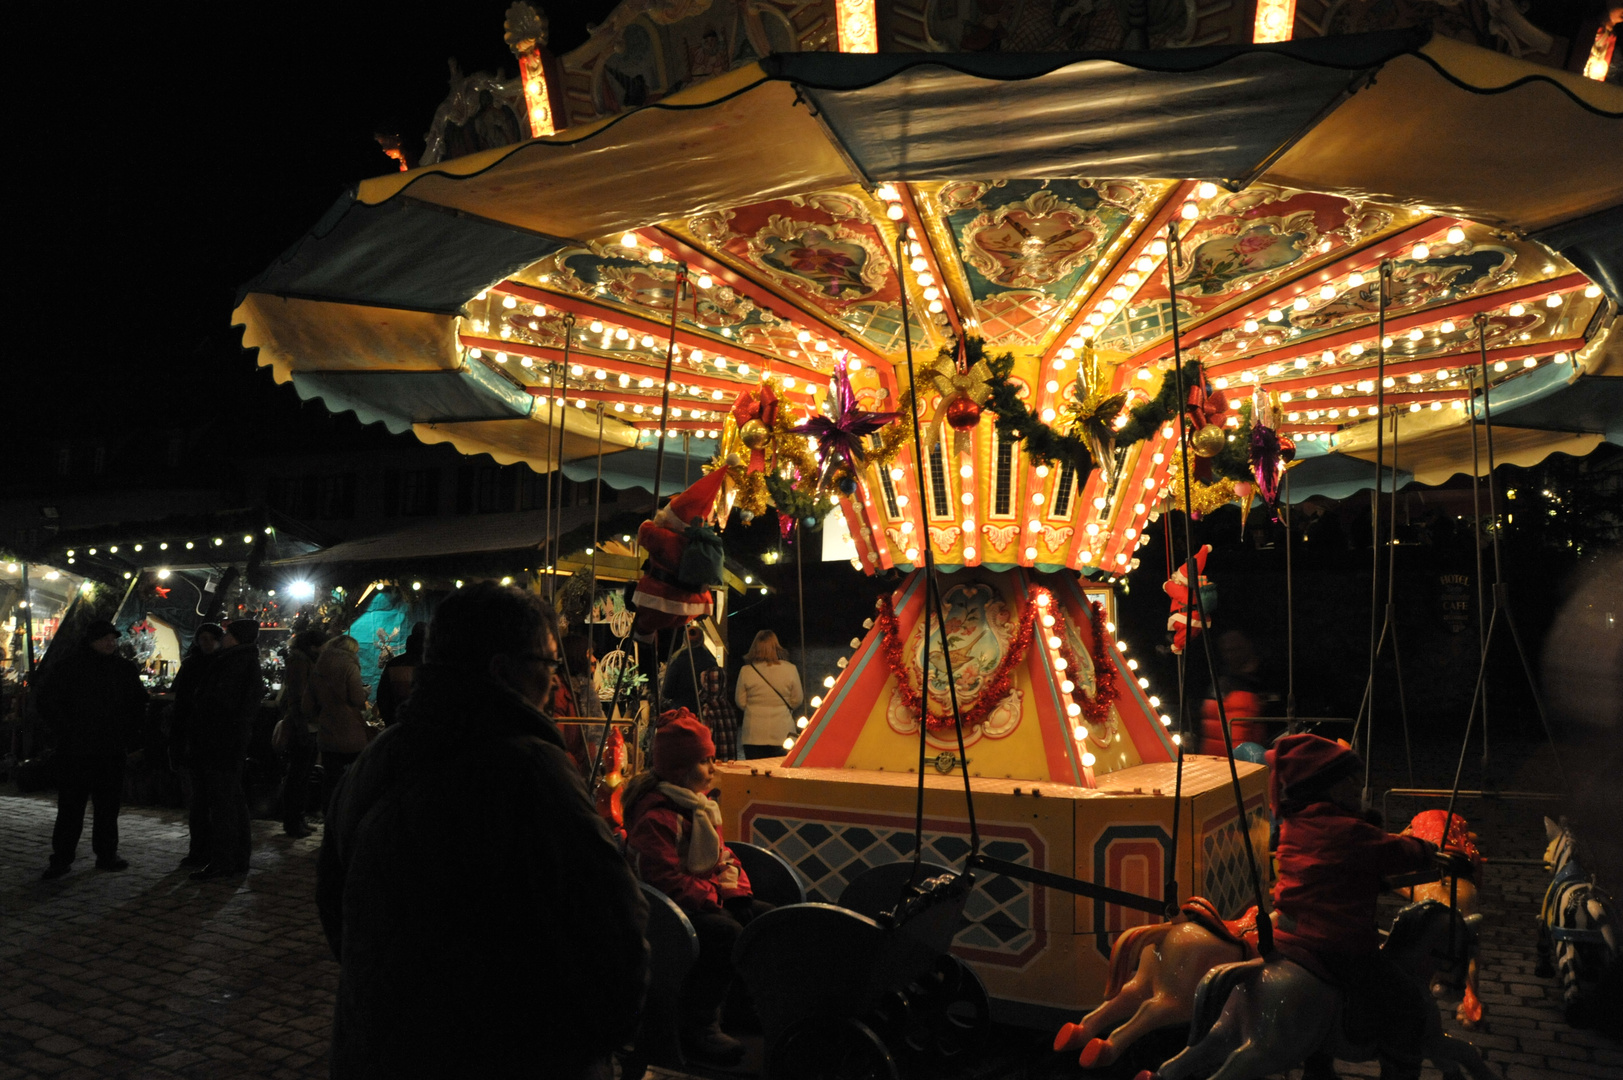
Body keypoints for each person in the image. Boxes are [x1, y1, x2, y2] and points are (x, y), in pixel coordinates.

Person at [317, 581, 648, 1080]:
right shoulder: (532, 771)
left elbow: (335, 906)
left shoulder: (375, 761)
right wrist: (593, 1043)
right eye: (549, 666)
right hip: (510, 1052)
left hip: (383, 1046)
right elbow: (611, 925)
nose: (556, 684)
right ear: (502, 670)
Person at [1266, 734, 1467, 1080]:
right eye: (1350, 779)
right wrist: (1430, 851)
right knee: (1405, 999)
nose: (1358, 786)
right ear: (1327, 786)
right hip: (1333, 939)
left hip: (1290, 933)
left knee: (1328, 1000)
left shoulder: (1297, 822)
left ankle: (1319, 1065)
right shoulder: (1348, 831)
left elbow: (1333, 872)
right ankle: (1400, 1065)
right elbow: (1394, 850)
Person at [623, 708, 769, 1066]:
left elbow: (722, 855)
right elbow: (665, 879)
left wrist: (735, 891)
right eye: (705, 762)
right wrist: (716, 897)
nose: (713, 769)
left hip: (701, 894)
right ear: (678, 770)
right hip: (670, 911)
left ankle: (742, 1004)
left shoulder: (697, 808)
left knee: (763, 918)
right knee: (724, 932)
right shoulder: (659, 816)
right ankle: (699, 1023)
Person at [37, 620, 149, 879]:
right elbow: (47, 701)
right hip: (76, 749)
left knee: (108, 807)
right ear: (91, 640)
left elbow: (137, 703)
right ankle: (61, 858)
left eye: (113, 638)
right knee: (70, 808)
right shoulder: (70, 668)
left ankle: (107, 853)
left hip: (110, 748)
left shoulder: (123, 669)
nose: (110, 643)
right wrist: (66, 729)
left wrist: (128, 733)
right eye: (104, 638)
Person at [186, 619, 266, 881]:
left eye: (229, 633)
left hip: (221, 742)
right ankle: (235, 858)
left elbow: (222, 704)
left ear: (237, 637)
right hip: (228, 741)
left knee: (224, 803)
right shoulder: (239, 660)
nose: (225, 637)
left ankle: (224, 860)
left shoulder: (234, 662)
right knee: (232, 800)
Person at [169, 623, 223, 867]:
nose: (207, 643)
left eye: (212, 638)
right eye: (203, 638)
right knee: (199, 801)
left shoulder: (225, 664)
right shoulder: (192, 665)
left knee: (213, 800)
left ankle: (213, 850)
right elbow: (180, 705)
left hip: (214, 741)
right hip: (195, 740)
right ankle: (199, 850)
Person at [305, 634, 368, 814]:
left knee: (330, 780)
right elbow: (356, 698)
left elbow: (307, 705)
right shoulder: (349, 666)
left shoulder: (318, 667)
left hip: (327, 732)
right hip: (350, 733)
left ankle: (329, 819)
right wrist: (364, 693)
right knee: (353, 779)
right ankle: (347, 818)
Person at [277, 629, 325, 837]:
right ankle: (292, 821)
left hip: (308, 722)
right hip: (302, 724)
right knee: (298, 774)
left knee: (303, 774)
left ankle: (298, 818)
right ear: (313, 646)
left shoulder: (304, 660)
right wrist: (302, 725)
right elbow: (297, 697)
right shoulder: (299, 662)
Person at [1196, 630, 1272, 755]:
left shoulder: (1266, 680)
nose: (1230, 654)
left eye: (1235, 649)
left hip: (1246, 764)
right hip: (1214, 763)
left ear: (1248, 645)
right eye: (1226, 650)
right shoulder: (1218, 682)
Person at [734, 630, 802, 759]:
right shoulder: (790, 669)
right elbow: (797, 699)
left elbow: (740, 701)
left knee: (756, 775)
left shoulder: (746, 671)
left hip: (754, 733)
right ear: (776, 647)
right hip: (783, 732)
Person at [661, 623, 718, 716]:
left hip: (682, 712)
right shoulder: (711, 661)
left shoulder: (678, 660)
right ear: (702, 640)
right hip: (704, 713)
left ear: (685, 640)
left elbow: (667, 692)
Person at [375, 622, 424, 726]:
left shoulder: (394, 664)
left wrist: (389, 721)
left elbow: (382, 695)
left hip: (397, 723)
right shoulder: (430, 665)